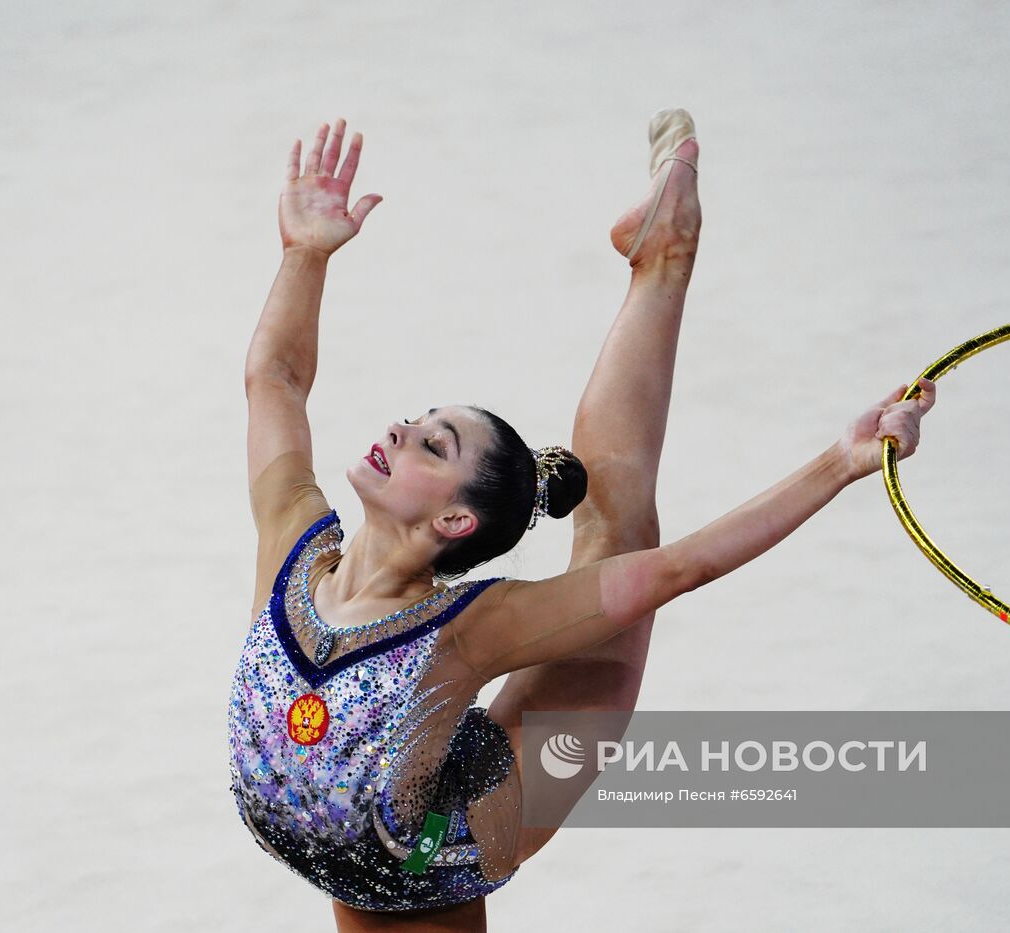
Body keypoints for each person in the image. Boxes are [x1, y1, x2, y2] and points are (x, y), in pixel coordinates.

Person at [228, 114, 935, 932]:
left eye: (433, 443)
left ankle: (664, 260)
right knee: (377, 801)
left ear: (455, 516)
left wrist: (840, 462)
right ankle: (659, 254)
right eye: (416, 420)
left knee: (617, 536)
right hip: (365, 834)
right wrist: (305, 254)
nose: (399, 429)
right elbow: (274, 379)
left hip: (441, 847)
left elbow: (682, 568)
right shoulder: (293, 543)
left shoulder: (470, 626)